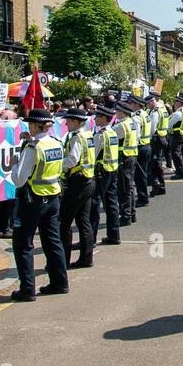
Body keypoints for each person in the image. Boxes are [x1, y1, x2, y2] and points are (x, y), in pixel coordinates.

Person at [9, 107, 69, 301]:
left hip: (33, 199)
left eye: (30, 124)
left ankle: (27, 289)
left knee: (23, 244)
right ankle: (60, 282)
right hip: (52, 197)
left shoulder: (33, 148)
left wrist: (14, 164)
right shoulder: (56, 143)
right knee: (53, 241)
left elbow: (19, 179)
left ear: (35, 125)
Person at [59, 106, 98, 269]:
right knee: (83, 221)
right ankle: (86, 258)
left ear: (76, 122)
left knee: (65, 222)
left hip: (77, 182)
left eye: (68, 120)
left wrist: (57, 164)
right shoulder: (88, 135)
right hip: (88, 179)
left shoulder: (76, 138)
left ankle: (63, 261)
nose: (66, 123)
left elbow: (72, 160)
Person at [93, 104, 121, 246]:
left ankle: (90, 238)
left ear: (104, 118)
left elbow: (93, 155)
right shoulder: (112, 133)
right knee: (111, 204)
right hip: (112, 170)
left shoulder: (101, 135)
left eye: (97, 116)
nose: (95, 118)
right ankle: (114, 234)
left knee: (94, 205)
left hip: (101, 172)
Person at [113, 102, 139, 226]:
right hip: (131, 156)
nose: (115, 113)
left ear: (122, 112)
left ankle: (126, 216)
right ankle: (131, 213)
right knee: (129, 187)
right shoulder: (131, 122)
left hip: (124, 158)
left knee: (124, 189)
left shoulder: (120, 126)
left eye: (117, 111)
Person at [169, 95, 183, 179]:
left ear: (178, 103)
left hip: (177, 135)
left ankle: (179, 173)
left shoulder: (178, 113)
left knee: (176, 154)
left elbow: (169, 124)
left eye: (175, 102)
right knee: (182, 154)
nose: (174, 104)